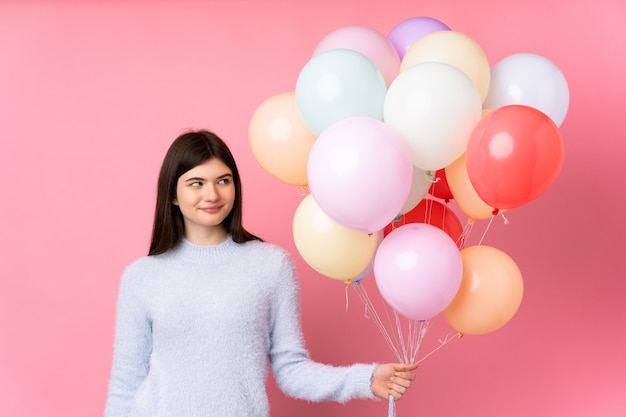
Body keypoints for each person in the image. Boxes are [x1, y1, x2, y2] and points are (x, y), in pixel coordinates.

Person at [104, 129, 417, 417]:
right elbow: (124, 388)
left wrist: (366, 379)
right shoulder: (142, 277)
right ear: (173, 194)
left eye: (223, 180)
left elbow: (292, 369)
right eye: (196, 183)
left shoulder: (270, 266)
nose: (212, 194)